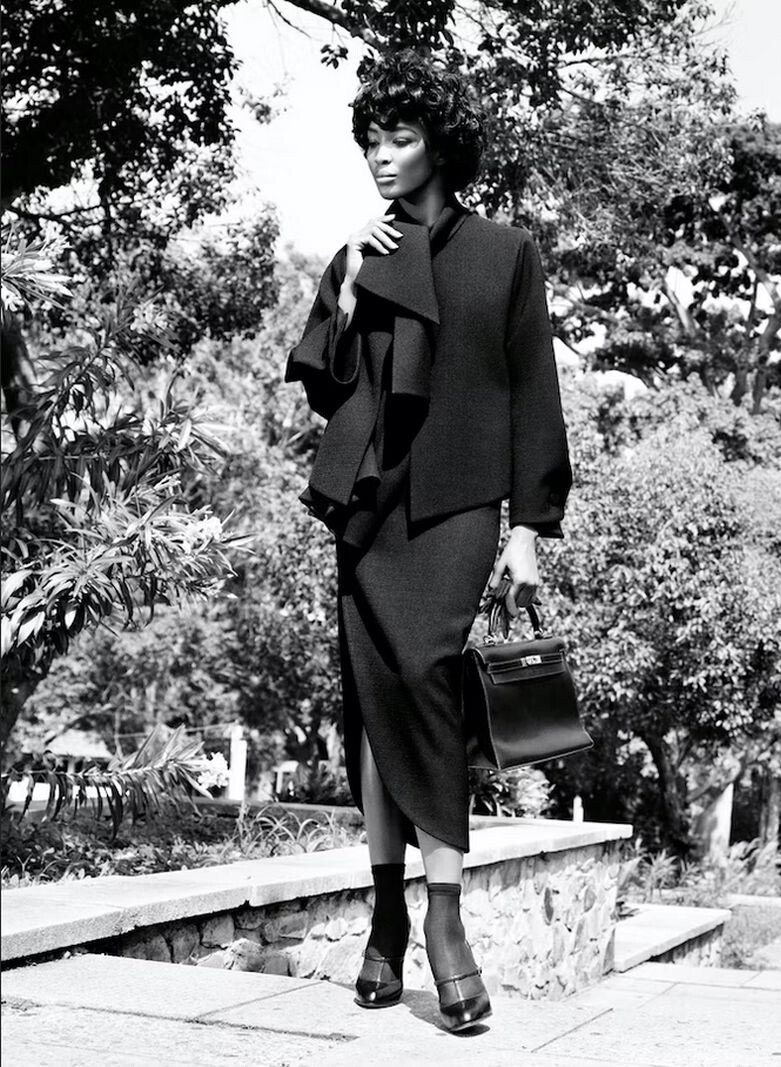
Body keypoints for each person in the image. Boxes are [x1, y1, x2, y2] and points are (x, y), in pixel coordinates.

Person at [285, 49, 572, 1033]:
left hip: (458, 503)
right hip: (370, 506)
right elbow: (326, 384)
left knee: (428, 677)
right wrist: (349, 287)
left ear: (439, 146)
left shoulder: (506, 253)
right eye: (371, 140)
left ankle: (444, 916)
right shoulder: (359, 252)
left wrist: (528, 527)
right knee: (375, 702)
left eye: (400, 139)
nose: (381, 156)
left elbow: (534, 392)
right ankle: (385, 916)